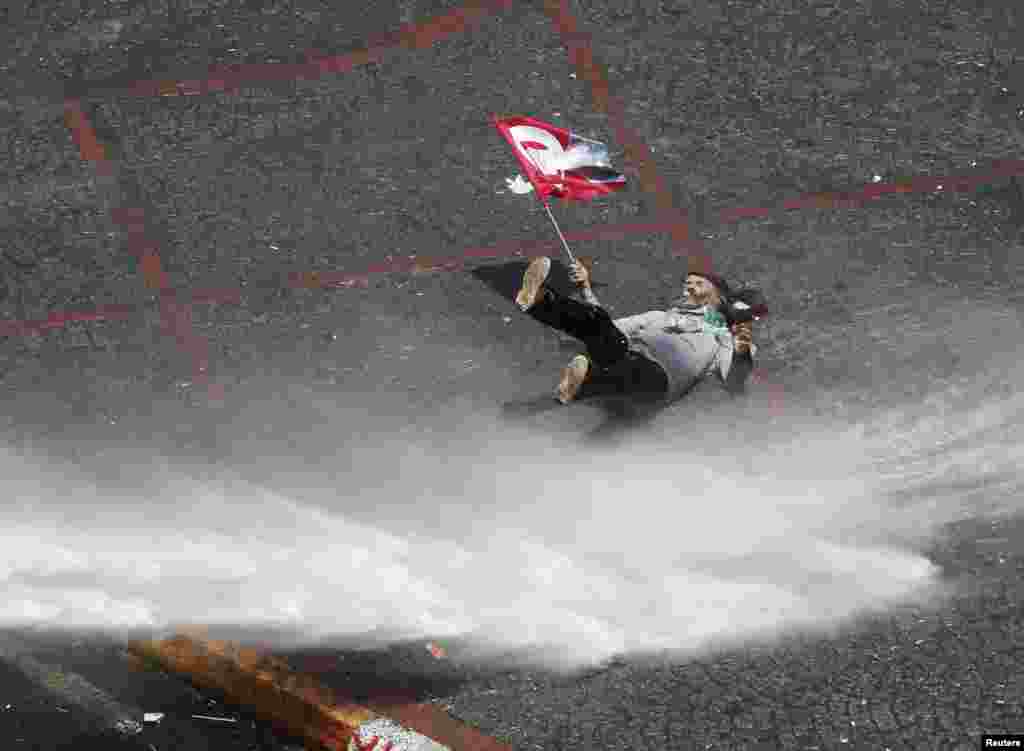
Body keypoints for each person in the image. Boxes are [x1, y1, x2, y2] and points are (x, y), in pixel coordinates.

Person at [514, 256, 758, 405]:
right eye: (686, 284)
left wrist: (742, 346)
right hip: (623, 354)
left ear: (719, 295)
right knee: (601, 324)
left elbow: (734, 382)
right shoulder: (658, 317)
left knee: (634, 369)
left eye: (697, 283)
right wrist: (585, 287)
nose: (688, 289)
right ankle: (536, 302)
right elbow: (606, 327)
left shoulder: (724, 339)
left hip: (658, 382)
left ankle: (582, 386)